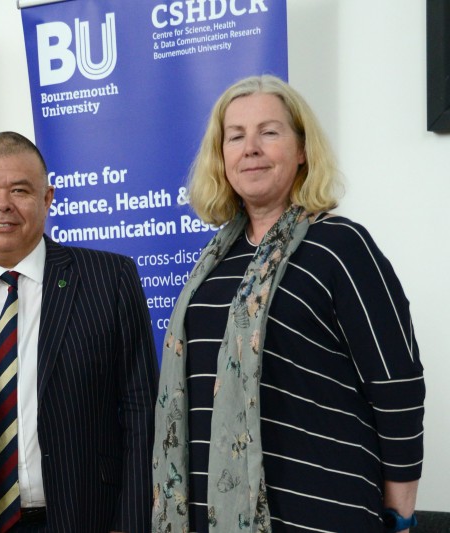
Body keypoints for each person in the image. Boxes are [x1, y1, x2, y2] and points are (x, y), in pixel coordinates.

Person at [151, 75, 425, 532]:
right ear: (222, 158)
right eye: (235, 136)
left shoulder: (340, 246)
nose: (250, 147)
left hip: (322, 510)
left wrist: (400, 513)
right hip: (211, 516)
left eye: (269, 132)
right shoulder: (212, 266)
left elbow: (396, 384)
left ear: (302, 150)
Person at [0, 131, 159, 532]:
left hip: (80, 518)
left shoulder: (109, 279)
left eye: (19, 190)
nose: (1, 204)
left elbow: (142, 410)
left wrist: (130, 523)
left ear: (47, 199)